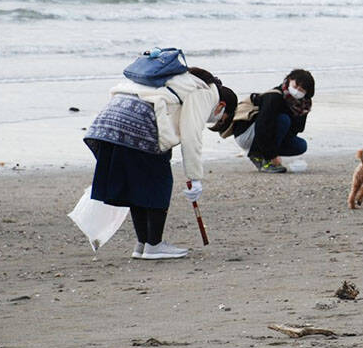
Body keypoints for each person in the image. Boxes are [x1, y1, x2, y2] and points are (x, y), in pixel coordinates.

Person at [85, 67, 236, 259]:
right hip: (142, 121)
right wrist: (195, 178)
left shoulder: (179, 80)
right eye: (220, 118)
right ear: (221, 105)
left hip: (111, 118)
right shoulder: (207, 93)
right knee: (160, 183)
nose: (212, 120)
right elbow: (192, 135)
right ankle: (154, 245)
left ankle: (143, 244)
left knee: (137, 185)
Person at [227, 69, 314, 173]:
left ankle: (267, 154)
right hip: (246, 132)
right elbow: (262, 125)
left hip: (266, 132)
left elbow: (298, 129)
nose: (297, 91)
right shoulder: (274, 97)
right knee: (283, 120)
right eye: (295, 86)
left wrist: (300, 114)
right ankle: (259, 156)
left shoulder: (302, 104)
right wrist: (272, 155)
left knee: (300, 146)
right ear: (290, 80)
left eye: (302, 90)